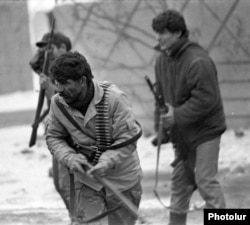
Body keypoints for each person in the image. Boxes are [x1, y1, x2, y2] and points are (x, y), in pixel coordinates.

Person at [45, 51, 143, 225]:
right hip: (87, 181)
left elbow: (128, 137)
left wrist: (106, 161)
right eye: (56, 83)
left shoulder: (114, 99)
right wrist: (70, 157)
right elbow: (53, 137)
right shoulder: (58, 103)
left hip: (122, 180)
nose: (59, 89)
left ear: (82, 81)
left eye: (65, 83)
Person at [151, 9, 226, 225]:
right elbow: (161, 99)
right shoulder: (161, 61)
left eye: (162, 32)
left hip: (205, 132)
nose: (157, 37)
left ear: (178, 33)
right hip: (182, 134)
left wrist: (177, 115)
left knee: (205, 181)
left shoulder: (198, 61)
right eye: (156, 32)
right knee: (179, 185)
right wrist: (161, 129)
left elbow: (207, 100)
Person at [29, 32, 72, 218]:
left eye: (51, 48)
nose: (47, 52)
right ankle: (76, 216)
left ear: (63, 48)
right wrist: (45, 56)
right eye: (44, 49)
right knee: (59, 183)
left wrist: (49, 89)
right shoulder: (53, 70)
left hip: (71, 135)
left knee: (67, 183)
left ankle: (80, 218)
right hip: (57, 134)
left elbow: (67, 102)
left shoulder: (74, 70)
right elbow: (34, 64)